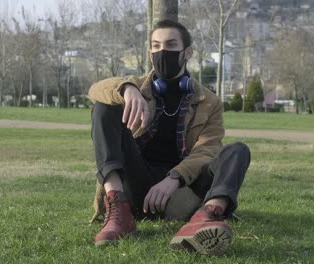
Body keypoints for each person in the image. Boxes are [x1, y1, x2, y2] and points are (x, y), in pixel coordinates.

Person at [88, 19, 251, 256]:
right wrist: (126, 88)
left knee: (237, 150)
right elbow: (95, 90)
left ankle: (206, 216)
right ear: (150, 53)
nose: (162, 51)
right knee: (104, 107)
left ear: (187, 53)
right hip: (135, 185)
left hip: (180, 194)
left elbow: (207, 150)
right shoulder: (136, 86)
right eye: (156, 46)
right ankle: (117, 206)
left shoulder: (210, 102)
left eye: (171, 45)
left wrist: (173, 178)